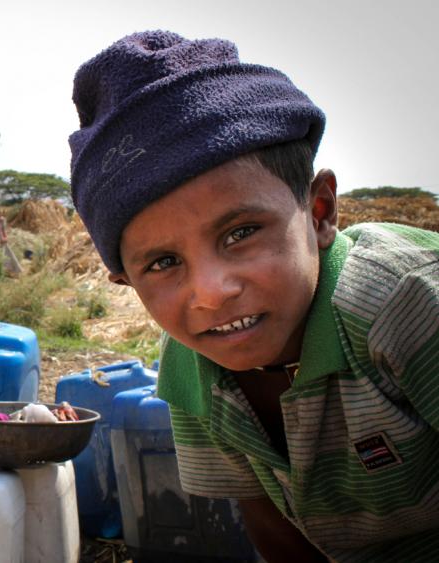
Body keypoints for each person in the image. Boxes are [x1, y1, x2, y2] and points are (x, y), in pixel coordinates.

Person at [69, 31, 439, 562]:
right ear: (127, 282)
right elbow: (274, 530)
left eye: (240, 233)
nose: (212, 292)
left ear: (320, 212)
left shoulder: (404, 300)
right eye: (164, 263)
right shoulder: (192, 371)